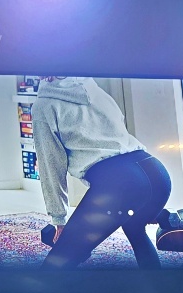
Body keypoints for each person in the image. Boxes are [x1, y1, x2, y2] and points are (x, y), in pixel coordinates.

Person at [31, 76, 172, 269]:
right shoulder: (93, 89)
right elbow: (118, 124)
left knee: (57, 263)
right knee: (135, 228)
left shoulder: (44, 105)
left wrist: (59, 220)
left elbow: (51, 166)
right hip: (157, 173)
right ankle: (160, 286)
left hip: (121, 184)